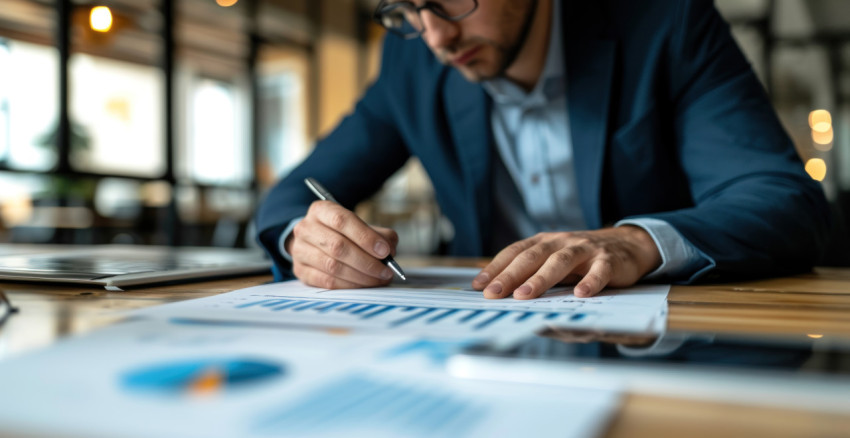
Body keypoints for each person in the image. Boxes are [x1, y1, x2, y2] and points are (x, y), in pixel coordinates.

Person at [255, 0, 830, 299]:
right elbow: (290, 197)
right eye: (406, 10)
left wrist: (634, 241)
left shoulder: (666, 23)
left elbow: (781, 199)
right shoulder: (410, 63)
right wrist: (305, 239)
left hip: (662, 343)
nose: (435, 36)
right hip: (483, 332)